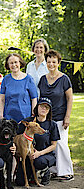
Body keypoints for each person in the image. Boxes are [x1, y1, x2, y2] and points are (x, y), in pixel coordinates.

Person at [38, 49, 74, 181]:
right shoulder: (43, 79)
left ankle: (66, 172)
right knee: (49, 144)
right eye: (48, 62)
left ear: (58, 62)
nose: (51, 64)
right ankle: (54, 170)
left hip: (60, 117)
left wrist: (67, 117)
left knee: (61, 143)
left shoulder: (64, 79)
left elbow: (70, 98)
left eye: (54, 62)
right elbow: (40, 98)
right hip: (47, 118)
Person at [15, 97, 60, 186]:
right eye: (41, 106)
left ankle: (45, 172)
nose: (44, 109)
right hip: (28, 155)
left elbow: (54, 145)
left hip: (44, 155)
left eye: (46, 107)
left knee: (40, 162)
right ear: (37, 107)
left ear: (49, 110)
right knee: (20, 182)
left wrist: (39, 153)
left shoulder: (52, 124)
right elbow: (16, 136)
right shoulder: (28, 122)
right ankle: (31, 175)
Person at [0, 53, 38, 124]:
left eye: (15, 62)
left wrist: (33, 116)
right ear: (8, 65)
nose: (14, 65)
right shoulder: (6, 79)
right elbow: (2, 100)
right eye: (11, 63)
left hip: (25, 118)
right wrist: (1, 116)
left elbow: (34, 99)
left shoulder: (28, 79)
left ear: (20, 63)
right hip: (9, 118)